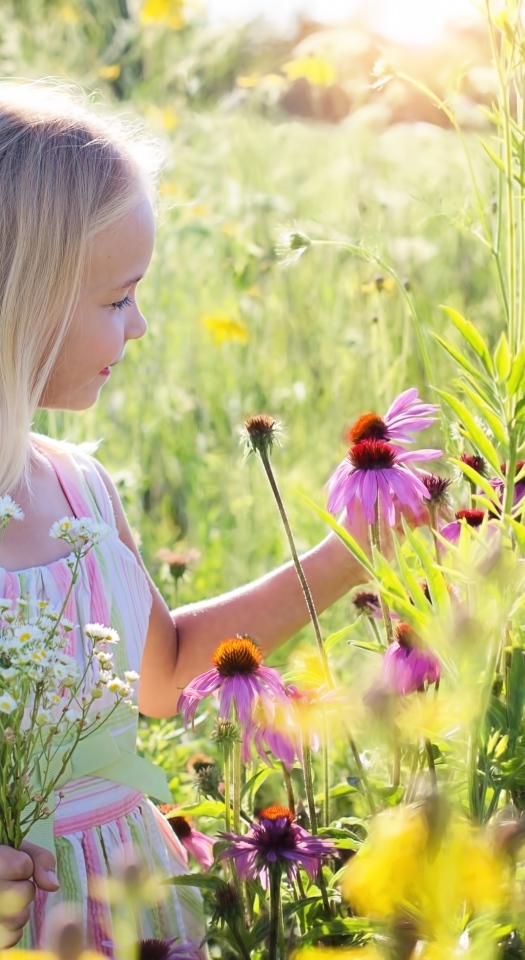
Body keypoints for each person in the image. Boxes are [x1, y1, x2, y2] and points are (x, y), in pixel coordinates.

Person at [0, 82, 369, 951]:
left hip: (137, 903)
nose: (141, 327)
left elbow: (161, 675)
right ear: (21, 298)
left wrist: (342, 558)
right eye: (118, 298)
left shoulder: (82, 489)